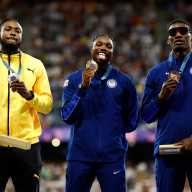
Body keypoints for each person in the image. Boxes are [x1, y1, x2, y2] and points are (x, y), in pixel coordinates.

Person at [61, 34, 138, 192]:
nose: (103, 48)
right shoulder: (74, 79)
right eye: (99, 44)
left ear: (112, 52)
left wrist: (112, 133)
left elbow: (132, 121)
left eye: (108, 46)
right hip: (79, 157)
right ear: (92, 49)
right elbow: (66, 117)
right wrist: (82, 88)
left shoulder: (125, 82)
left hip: (112, 158)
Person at [0, 18, 53, 192]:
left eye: (17, 30)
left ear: (22, 36)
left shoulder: (35, 65)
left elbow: (47, 106)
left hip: (27, 145)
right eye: (8, 29)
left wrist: (29, 95)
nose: (13, 32)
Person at [141, 19, 192, 192]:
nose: (178, 35)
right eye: (173, 33)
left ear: (190, 37)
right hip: (168, 151)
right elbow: (147, 116)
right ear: (168, 40)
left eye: (183, 31)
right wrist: (161, 96)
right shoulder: (155, 73)